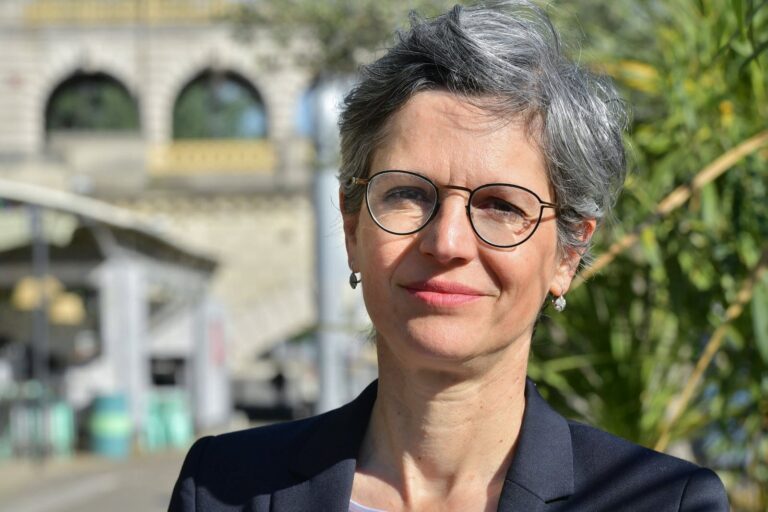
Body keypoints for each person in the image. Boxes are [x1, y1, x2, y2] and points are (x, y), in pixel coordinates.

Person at [169, 2, 729, 511]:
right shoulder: (222, 487)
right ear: (351, 225)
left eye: (501, 206)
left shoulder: (659, 503)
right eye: (408, 194)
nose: (448, 243)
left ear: (568, 252)